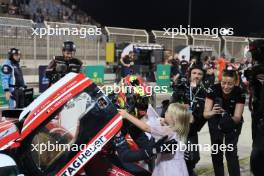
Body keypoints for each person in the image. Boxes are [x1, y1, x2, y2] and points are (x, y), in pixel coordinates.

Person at [119, 103, 192, 176]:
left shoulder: (168, 130)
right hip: (179, 166)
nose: (165, 113)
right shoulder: (180, 130)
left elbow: (146, 128)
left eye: (167, 112)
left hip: (168, 168)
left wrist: (126, 115)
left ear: (174, 118)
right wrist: (165, 122)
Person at [203, 69, 246, 176]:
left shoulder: (239, 92)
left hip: (232, 122)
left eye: (230, 83)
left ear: (235, 82)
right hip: (215, 120)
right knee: (217, 151)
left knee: (230, 151)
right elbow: (205, 114)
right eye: (223, 83)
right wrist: (213, 112)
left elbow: (237, 116)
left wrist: (226, 117)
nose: (226, 86)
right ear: (220, 81)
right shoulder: (213, 89)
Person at [171, 64, 207, 176]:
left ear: (202, 77)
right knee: (176, 158)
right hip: (177, 129)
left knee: (193, 158)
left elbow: (204, 114)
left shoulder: (205, 92)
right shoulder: (181, 87)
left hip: (192, 130)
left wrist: (195, 118)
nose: (196, 76)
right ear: (190, 74)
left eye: (199, 74)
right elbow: (171, 106)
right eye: (194, 73)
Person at [245, 39, 264, 176]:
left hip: (261, 115)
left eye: (253, 52)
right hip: (257, 114)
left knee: (258, 153)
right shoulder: (256, 68)